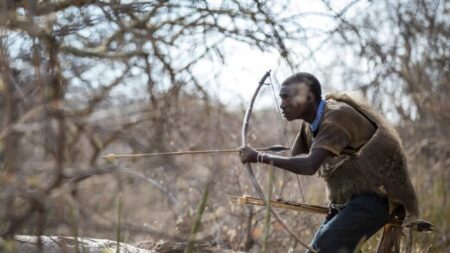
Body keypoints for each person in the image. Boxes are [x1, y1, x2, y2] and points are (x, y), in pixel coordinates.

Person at [239, 72, 419, 253]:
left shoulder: (335, 118)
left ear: (308, 97)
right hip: (348, 200)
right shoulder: (312, 124)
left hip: (377, 198)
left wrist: (259, 157)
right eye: (281, 98)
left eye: (287, 97)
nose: (282, 104)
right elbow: (297, 158)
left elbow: (309, 165)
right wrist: (263, 155)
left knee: (324, 248)